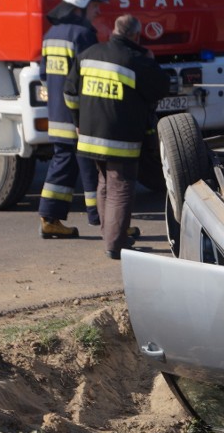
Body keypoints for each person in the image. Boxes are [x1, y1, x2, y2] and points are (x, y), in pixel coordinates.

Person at [64, 15, 171, 259]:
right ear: (135, 35)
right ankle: (115, 244)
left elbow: (69, 93)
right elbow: (162, 87)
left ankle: (110, 235)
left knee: (103, 183)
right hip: (120, 139)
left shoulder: (89, 54)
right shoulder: (136, 60)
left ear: (114, 30)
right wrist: (151, 62)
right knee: (120, 187)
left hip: (89, 135)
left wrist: (77, 122)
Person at [38, 0, 107, 239]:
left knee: (64, 163)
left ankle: (52, 218)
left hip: (57, 113)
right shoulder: (83, 34)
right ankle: (100, 219)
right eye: (96, 5)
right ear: (81, 4)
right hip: (79, 114)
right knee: (91, 164)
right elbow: (90, 75)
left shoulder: (51, 34)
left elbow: (45, 74)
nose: (99, 11)